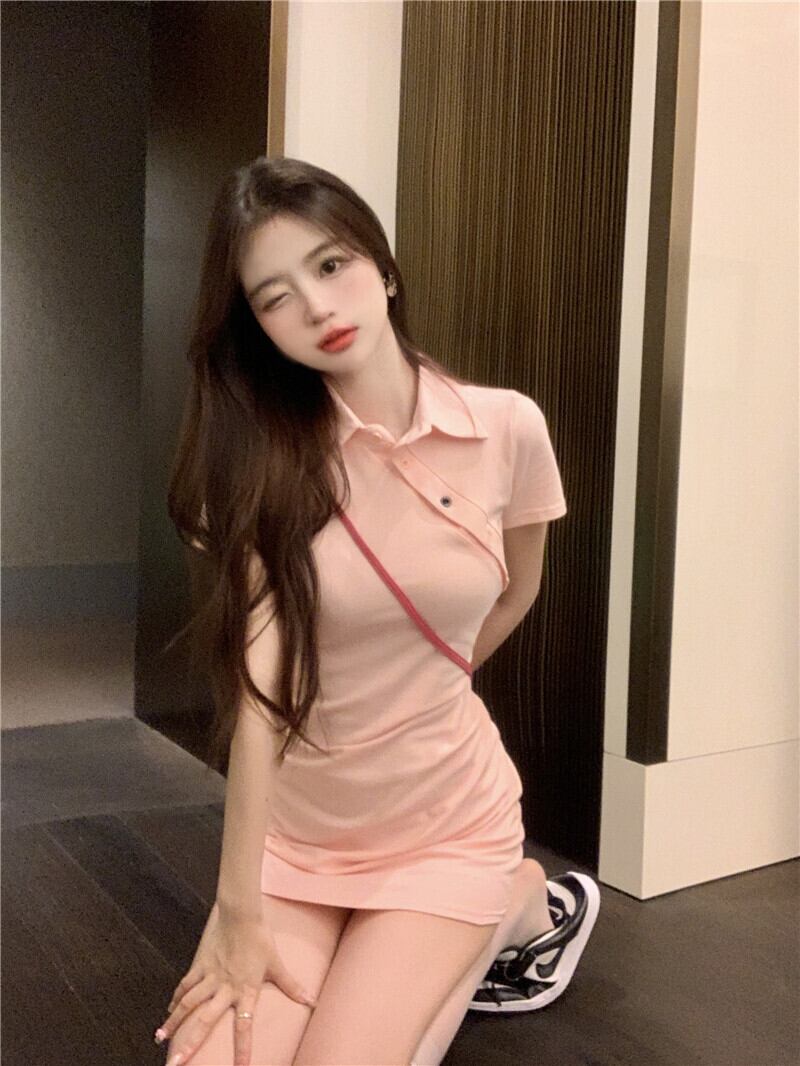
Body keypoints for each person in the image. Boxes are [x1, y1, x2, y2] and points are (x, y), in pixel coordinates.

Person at [154, 156, 600, 1066]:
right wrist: (236, 909)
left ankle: (511, 903)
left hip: (444, 827)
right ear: (257, 328)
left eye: (331, 265)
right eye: (275, 298)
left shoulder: (507, 427)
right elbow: (259, 694)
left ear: (382, 266)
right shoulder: (260, 465)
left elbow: (518, 590)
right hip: (299, 837)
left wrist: (418, 690)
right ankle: (507, 905)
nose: (318, 307)